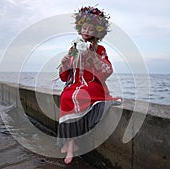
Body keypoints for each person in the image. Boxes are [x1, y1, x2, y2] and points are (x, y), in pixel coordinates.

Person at [57, 6, 120, 164]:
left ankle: (70, 145)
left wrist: (93, 56)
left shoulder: (100, 50)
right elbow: (65, 77)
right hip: (75, 85)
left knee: (76, 95)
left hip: (93, 86)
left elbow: (107, 71)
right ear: (79, 28)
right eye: (84, 27)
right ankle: (71, 144)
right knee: (66, 95)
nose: (86, 31)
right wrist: (64, 63)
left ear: (97, 31)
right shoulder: (74, 48)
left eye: (90, 29)